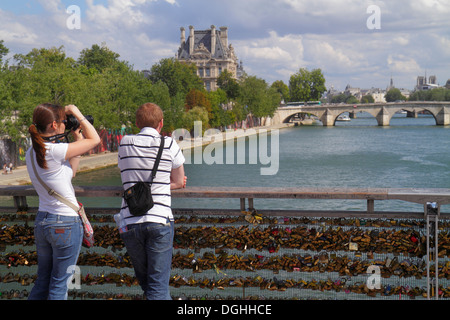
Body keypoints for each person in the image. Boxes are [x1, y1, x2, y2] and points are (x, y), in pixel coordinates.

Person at [26, 103, 100, 300]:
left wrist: (77, 138)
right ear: (53, 125)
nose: (65, 125)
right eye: (63, 122)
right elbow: (96, 139)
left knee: (43, 281)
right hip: (65, 223)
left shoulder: (32, 152)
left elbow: (71, 173)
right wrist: (76, 111)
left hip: (43, 221)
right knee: (60, 284)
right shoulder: (54, 151)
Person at [115, 102, 186, 300]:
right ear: (161, 123)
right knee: (158, 287)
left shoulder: (125, 142)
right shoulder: (169, 143)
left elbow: (128, 178)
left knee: (148, 285)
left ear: (137, 123)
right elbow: (179, 181)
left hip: (130, 222)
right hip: (159, 220)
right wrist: (166, 184)